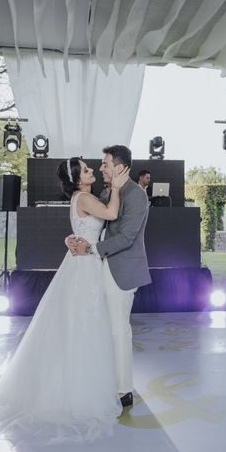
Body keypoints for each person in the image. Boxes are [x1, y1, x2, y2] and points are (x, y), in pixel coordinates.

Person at [0, 156, 133, 444]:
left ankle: (77, 381)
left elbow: (85, 229)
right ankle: (78, 388)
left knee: (77, 324)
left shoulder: (80, 197)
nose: (92, 170)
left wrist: (70, 238)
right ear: (77, 179)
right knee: (83, 324)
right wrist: (120, 187)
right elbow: (110, 214)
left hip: (82, 264)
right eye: (86, 169)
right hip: (84, 268)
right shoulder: (84, 197)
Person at [68, 145, 151, 409]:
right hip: (99, 267)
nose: (101, 168)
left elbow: (126, 238)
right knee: (103, 328)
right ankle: (107, 380)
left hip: (121, 270)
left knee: (118, 330)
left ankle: (124, 390)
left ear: (119, 166)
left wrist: (91, 248)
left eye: (105, 164)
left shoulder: (136, 196)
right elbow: (93, 221)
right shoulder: (107, 191)